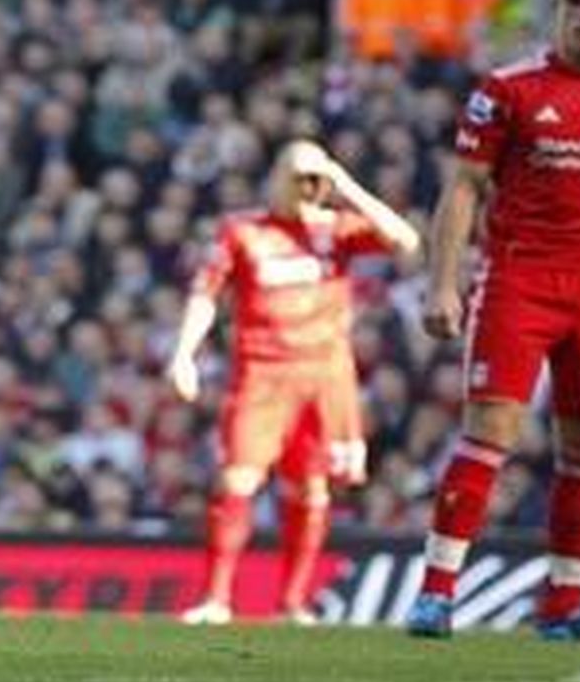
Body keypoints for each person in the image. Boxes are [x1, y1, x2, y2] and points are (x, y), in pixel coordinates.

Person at [406, 0, 580, 641]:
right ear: (557, 9)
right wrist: (443, 282)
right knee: (491, 432)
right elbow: (463, 188)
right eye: (575, 2)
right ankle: (435, 593)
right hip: (521, 277)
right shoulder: (509, 89)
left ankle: (564, 607)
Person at [169, 139, 420, 625]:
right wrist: (184, 354)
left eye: (314, 178)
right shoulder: (243, 231)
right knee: (237, 479)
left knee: (311, 489)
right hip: (262, 375)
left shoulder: (336, 230)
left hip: (325, 377)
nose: (307, 187)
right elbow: (205, 294)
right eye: (298, 176)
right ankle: (216, 600)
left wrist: (344, 184)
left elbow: (405, 240)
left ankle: (293, 603)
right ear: (276, 178)